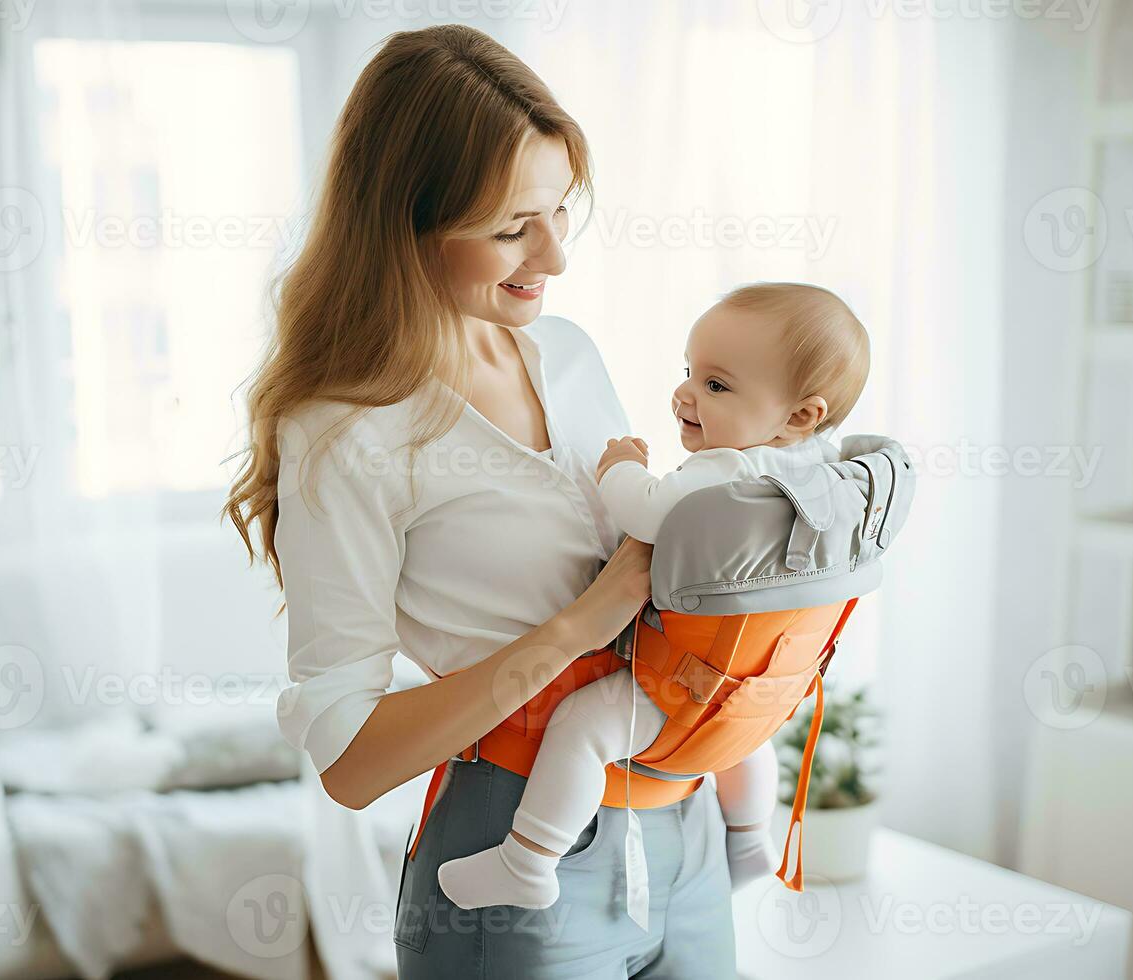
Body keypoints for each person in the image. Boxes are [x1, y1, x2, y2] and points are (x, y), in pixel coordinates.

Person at [225, 24, 736, 978]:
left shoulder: (570, 354)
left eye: (557, 212)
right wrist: (577, 628)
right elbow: (351, 762)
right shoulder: (347, 433)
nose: (553, 254)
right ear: (402, 228)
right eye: (511, 229)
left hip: (681, 826)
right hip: (510, 854)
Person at [436, 282, 870, 912]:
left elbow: (646, 512)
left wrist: (617, 465)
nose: (686, 394)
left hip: (676, 684)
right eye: (689, 372)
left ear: (800, 415)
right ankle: (750, 838)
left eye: (717, 386)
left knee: (582, 727)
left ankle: (528, 860)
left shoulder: (727, 472)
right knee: (746, 739)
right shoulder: (826, 473)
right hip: (755, 685)